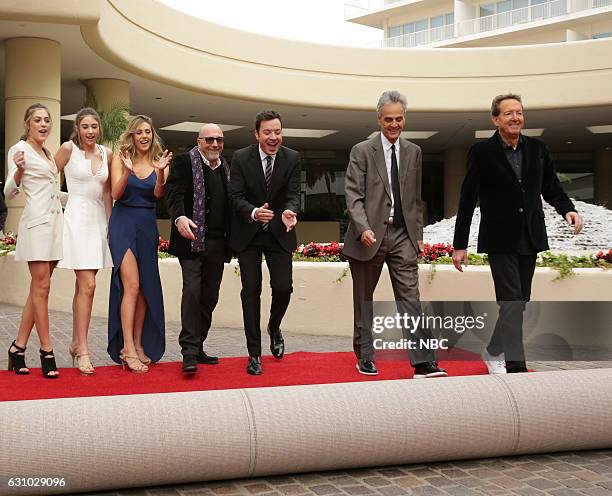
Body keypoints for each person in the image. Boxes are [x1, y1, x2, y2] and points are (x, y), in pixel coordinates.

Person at [452, 93, 583, 374]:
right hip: (499, 239)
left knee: (519, 304)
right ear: (495, 119)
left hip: (530, 236)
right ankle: (516, 367)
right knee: (511, 302)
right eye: (509, 113)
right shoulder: (482, 152)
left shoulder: (537, 148)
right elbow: (467, 199)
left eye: (519, 112)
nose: (515, 117)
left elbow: (550, 187)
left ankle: (492, 350)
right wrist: (459, 245)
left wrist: (567, 209)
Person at [343, 90, 447, 379]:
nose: (394, 124)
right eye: (388, 119)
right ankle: (365, 356)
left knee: (410, 298)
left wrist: (418, 234)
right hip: (369, 236)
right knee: (364, 299)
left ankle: (424, 362)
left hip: (402, 235)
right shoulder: (361, 151)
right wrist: (363, 227)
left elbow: (414, 198)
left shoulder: (414, 151)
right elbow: (353, 195)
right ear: (379, 119)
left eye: (399, 119)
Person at [229, 110, 300, 375]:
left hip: (280, 232)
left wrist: (289, 211)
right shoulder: (240, 158)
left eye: (277, 132)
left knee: (283, 288)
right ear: (256, 134)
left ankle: (274, 326)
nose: (273, 137)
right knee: (251, 292)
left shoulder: (292, 158)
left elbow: (294, 194)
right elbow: (234, 196)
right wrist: (253, 211)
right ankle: (254, 354)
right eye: (267, 132)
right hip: (248, 234)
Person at [107, 115, 172, 373]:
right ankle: (127, 348)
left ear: (152, 135)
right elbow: (115, 194)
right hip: (123, 224)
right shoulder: (119, 158)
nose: (144, 136)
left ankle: (137, 343)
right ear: (132, 136)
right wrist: (126, 171)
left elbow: (158, 194)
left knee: (144, 288)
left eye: (148, 132)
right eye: (139, 132)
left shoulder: (161, 163)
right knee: (131, 285)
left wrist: (159, 172)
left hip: (147, 226)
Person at [166, 124, 232, 374]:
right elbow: (173, 193)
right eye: (210, 140)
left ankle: (199, 344)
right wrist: (180, 217)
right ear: (199, 141)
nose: (215, 145)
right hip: (191, 239)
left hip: (218, 243)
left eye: (219, 140)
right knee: (192, 291)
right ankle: (189, 352)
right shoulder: (184, 162)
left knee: (209, 296)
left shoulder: (226, 168)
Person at [4, 103, 63, 378]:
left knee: (37, 290)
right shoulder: (19, 150)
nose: (43, 124)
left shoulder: (48, 153)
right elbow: (8, 192)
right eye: (38, 120)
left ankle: (17, 348)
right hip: (36, 226)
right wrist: (16, 172)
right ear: (27, 123)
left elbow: (52, 192)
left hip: (54, 226)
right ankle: (47, 350)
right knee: (43, 288)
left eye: (47, 120)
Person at [54, 107, 113, 375]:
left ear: (99, 129)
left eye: (94, 126)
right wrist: (52, 211)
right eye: (85, 126)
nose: (90, 131)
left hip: (98, 220)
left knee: (86, 286)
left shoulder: (107, 153)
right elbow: (47, 178)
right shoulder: (68, 149)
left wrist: (111, 224)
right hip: (75, 219)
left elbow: (108, 192)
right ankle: (84, 351)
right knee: (87, 284)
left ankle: (76, 342)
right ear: (77, 128)